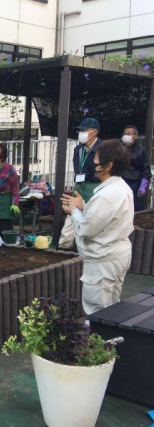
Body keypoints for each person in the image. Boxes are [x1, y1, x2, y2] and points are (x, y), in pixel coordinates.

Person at [61, 139, 134, 315]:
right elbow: (104, 218)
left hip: (103, 259)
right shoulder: (122, 187)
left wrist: (73, 211)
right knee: (112, 307)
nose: (93, 162)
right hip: (117, 254)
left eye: (96, 159)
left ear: (108, 165)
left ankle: (99, 334)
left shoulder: (106, 195)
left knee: (97, 311)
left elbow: (86, 229)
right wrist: (83, 206)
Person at [120, 125, 151, 212]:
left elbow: (146, 169)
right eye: (124, 134)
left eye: (129, 133)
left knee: (134, 209)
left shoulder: (141, 151)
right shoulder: (118, 149)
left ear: (135, 136)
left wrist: (143, 186)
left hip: (135, 184)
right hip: (120, 183)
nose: (126, 135)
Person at [72, 118, 102, 203]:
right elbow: (76, 168)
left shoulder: (103, 148)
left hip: (94, 187)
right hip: (79, 186)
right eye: (79, 131)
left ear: (94, 132)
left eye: (83, 130)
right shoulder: (78, 149)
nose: (80, 133)